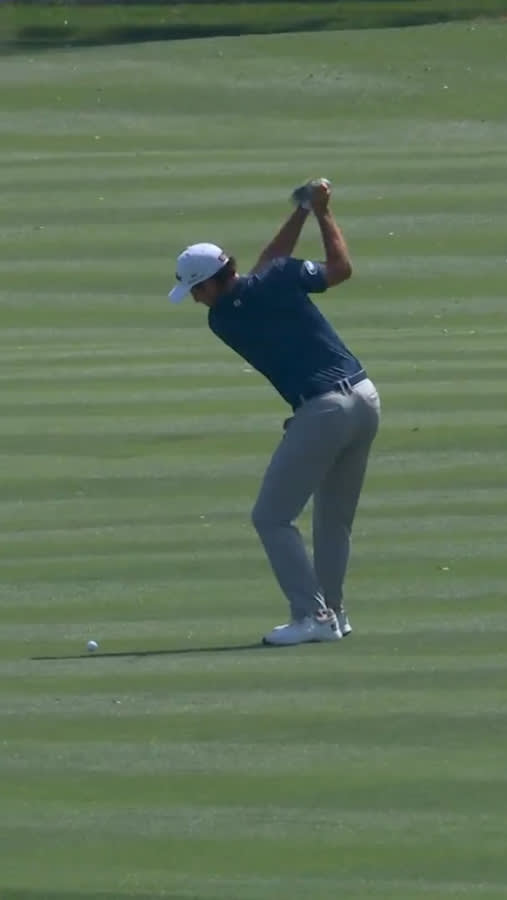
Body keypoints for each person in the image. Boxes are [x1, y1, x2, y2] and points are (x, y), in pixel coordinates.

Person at [166, 179, 380, 646]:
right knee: (333, 520)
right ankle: (335, 614)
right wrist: (319, 211)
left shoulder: (223, 316)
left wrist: (308, 211)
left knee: (271, 517)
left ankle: (311, 615)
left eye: (196, 290)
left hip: (323, 411)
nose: (196, 299)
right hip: (365, 398)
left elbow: (271, 264)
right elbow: (336, 270)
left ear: (213, 283)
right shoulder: (260, 290)